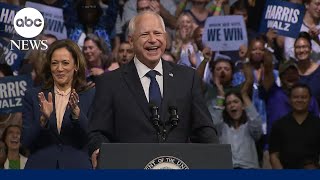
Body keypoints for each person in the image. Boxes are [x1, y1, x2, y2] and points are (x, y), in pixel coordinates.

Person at [88, 11, 219, 169]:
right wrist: (98, 150)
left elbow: (204, 129)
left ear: (165, 37)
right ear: (131, 40)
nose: (152, 40)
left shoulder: (187, 78)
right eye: (145, 34)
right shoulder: (109, 82)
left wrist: (214, 160)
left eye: (157, 33)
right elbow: (98, 131)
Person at [21, 39, 95, 169]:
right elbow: (25, 141)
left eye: (65, 63)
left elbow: (93, 138)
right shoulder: (33, 96)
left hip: (77, 168)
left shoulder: (90, 95)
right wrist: (43, 119)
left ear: (76, 65)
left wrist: (77, 115)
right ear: (49, 66)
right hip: (40, 168)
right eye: (54, 63)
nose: (59, 69)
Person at [269, 83, 320, 169]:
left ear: (310, 100)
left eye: (304, 97)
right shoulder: (279, 125)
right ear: (289, 99)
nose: (299, 100)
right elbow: (274, 155)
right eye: (296, 97)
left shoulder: (317, 124)